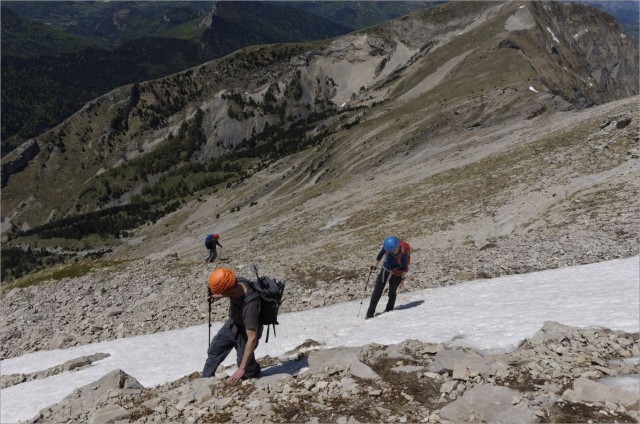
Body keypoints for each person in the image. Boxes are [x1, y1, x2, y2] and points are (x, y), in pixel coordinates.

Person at [202, 267, 262, 383]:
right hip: (234, 323)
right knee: (215, 348)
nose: (222, 294)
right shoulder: (235, 283)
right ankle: (205, 378)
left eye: (222, 292)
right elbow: (231, 291)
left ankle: (252, 370)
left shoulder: (250, 304)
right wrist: (219, 295)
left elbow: (252, 338)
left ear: (230, 291)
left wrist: (241, 369)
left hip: (247, 330)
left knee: (245, 365)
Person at [366, 236, 410, 319]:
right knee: (377, 292)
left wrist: (401, 280)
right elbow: (380, 256)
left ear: (397, 247)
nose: (390, 252)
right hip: (385, 269)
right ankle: (369, 314)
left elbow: (404, 268)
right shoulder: (388, 247)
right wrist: (374, 265)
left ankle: (389, 310)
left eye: (392, 251)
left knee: (392, 292)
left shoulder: (404, 252)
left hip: (396, 273)